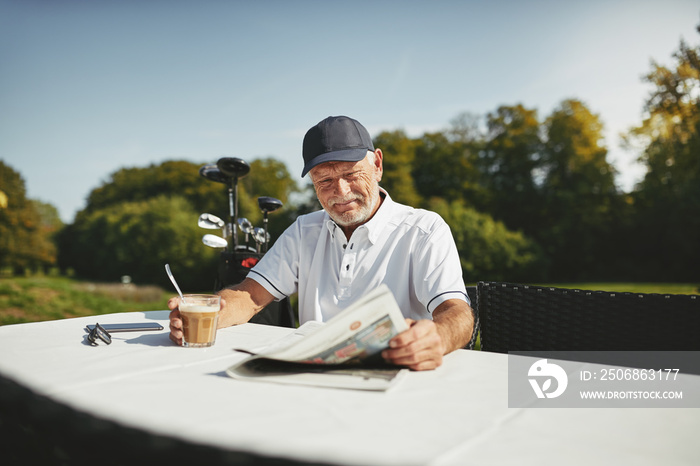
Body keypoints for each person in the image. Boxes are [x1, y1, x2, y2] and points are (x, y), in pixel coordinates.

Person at [169, 115, 474, 371]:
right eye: (324, 180)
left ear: (378, 165)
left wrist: (438, 336)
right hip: (308, 377)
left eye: (352, 174)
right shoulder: (304, 229)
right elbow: (249, 298)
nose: (340, 192)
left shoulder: (424, 229)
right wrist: (206, 315)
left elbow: (456, 312)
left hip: (395, 375)